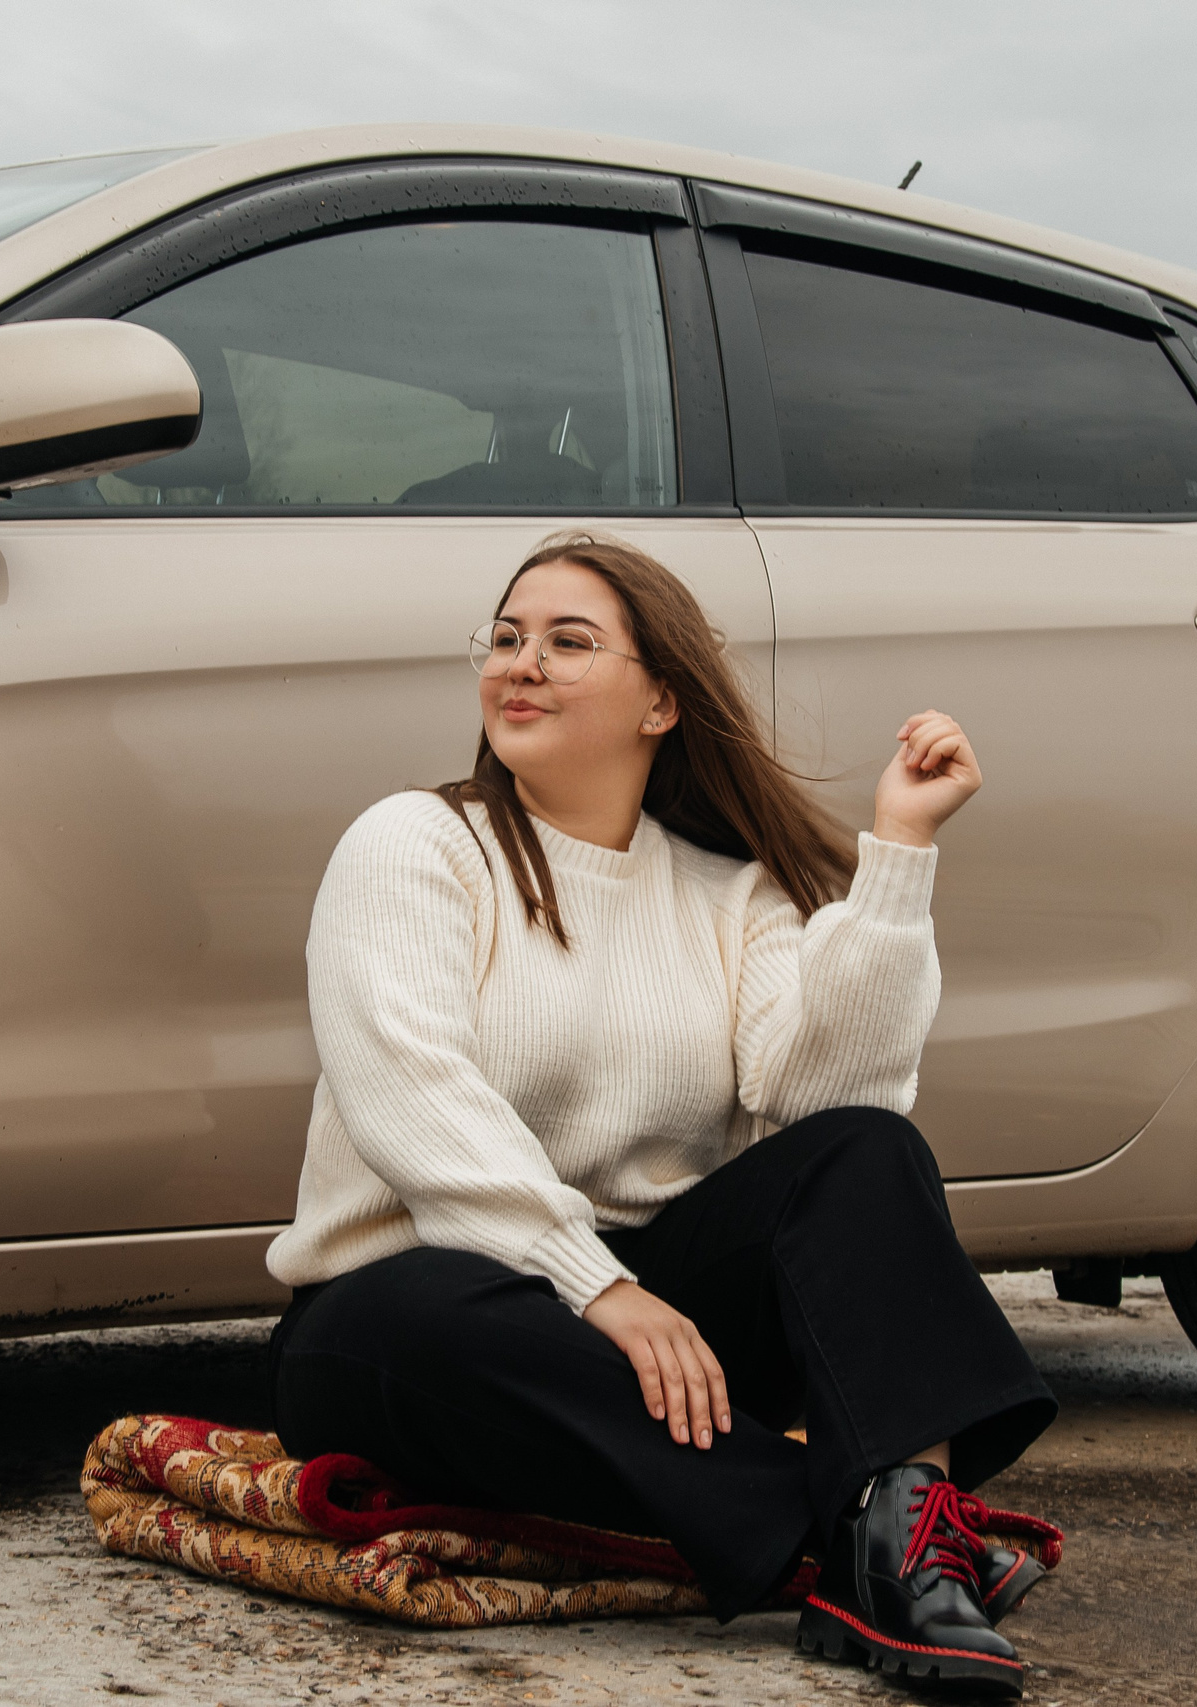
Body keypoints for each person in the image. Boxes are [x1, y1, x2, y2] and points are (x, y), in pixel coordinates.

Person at [263, 532, 1057, 1694]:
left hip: (655, 1336)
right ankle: (872, 1527)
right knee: (430, 1311)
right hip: (420, 1311)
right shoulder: (418, 845)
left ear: (660, 703)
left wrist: (898, 854)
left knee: (869, 1153)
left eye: (567, 643)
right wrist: (598, 1288)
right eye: (506, 637)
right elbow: (410, 1090)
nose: (519, 664)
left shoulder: (730, 894)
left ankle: (890, 1545)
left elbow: (833, 1102)